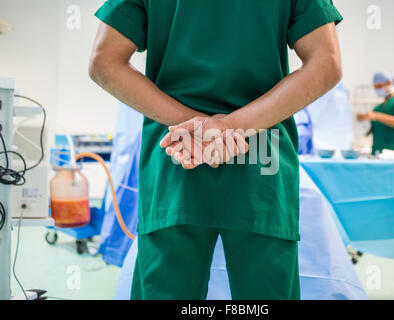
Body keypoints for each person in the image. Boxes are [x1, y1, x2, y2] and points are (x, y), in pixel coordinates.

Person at [89, 0, 343, 300]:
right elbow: (326, 63)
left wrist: (196, 129)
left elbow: (104, 62)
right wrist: (231, 128)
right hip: (261, 154)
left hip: (178, 150)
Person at [357, 72, 394, 155]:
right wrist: (361, 119)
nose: (377, 90)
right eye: (375, 87)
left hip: (393, 155)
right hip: (375, 154)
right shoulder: (377, 108)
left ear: (389, 83)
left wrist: (377, 116)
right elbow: (371, 130)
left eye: (379, 86)